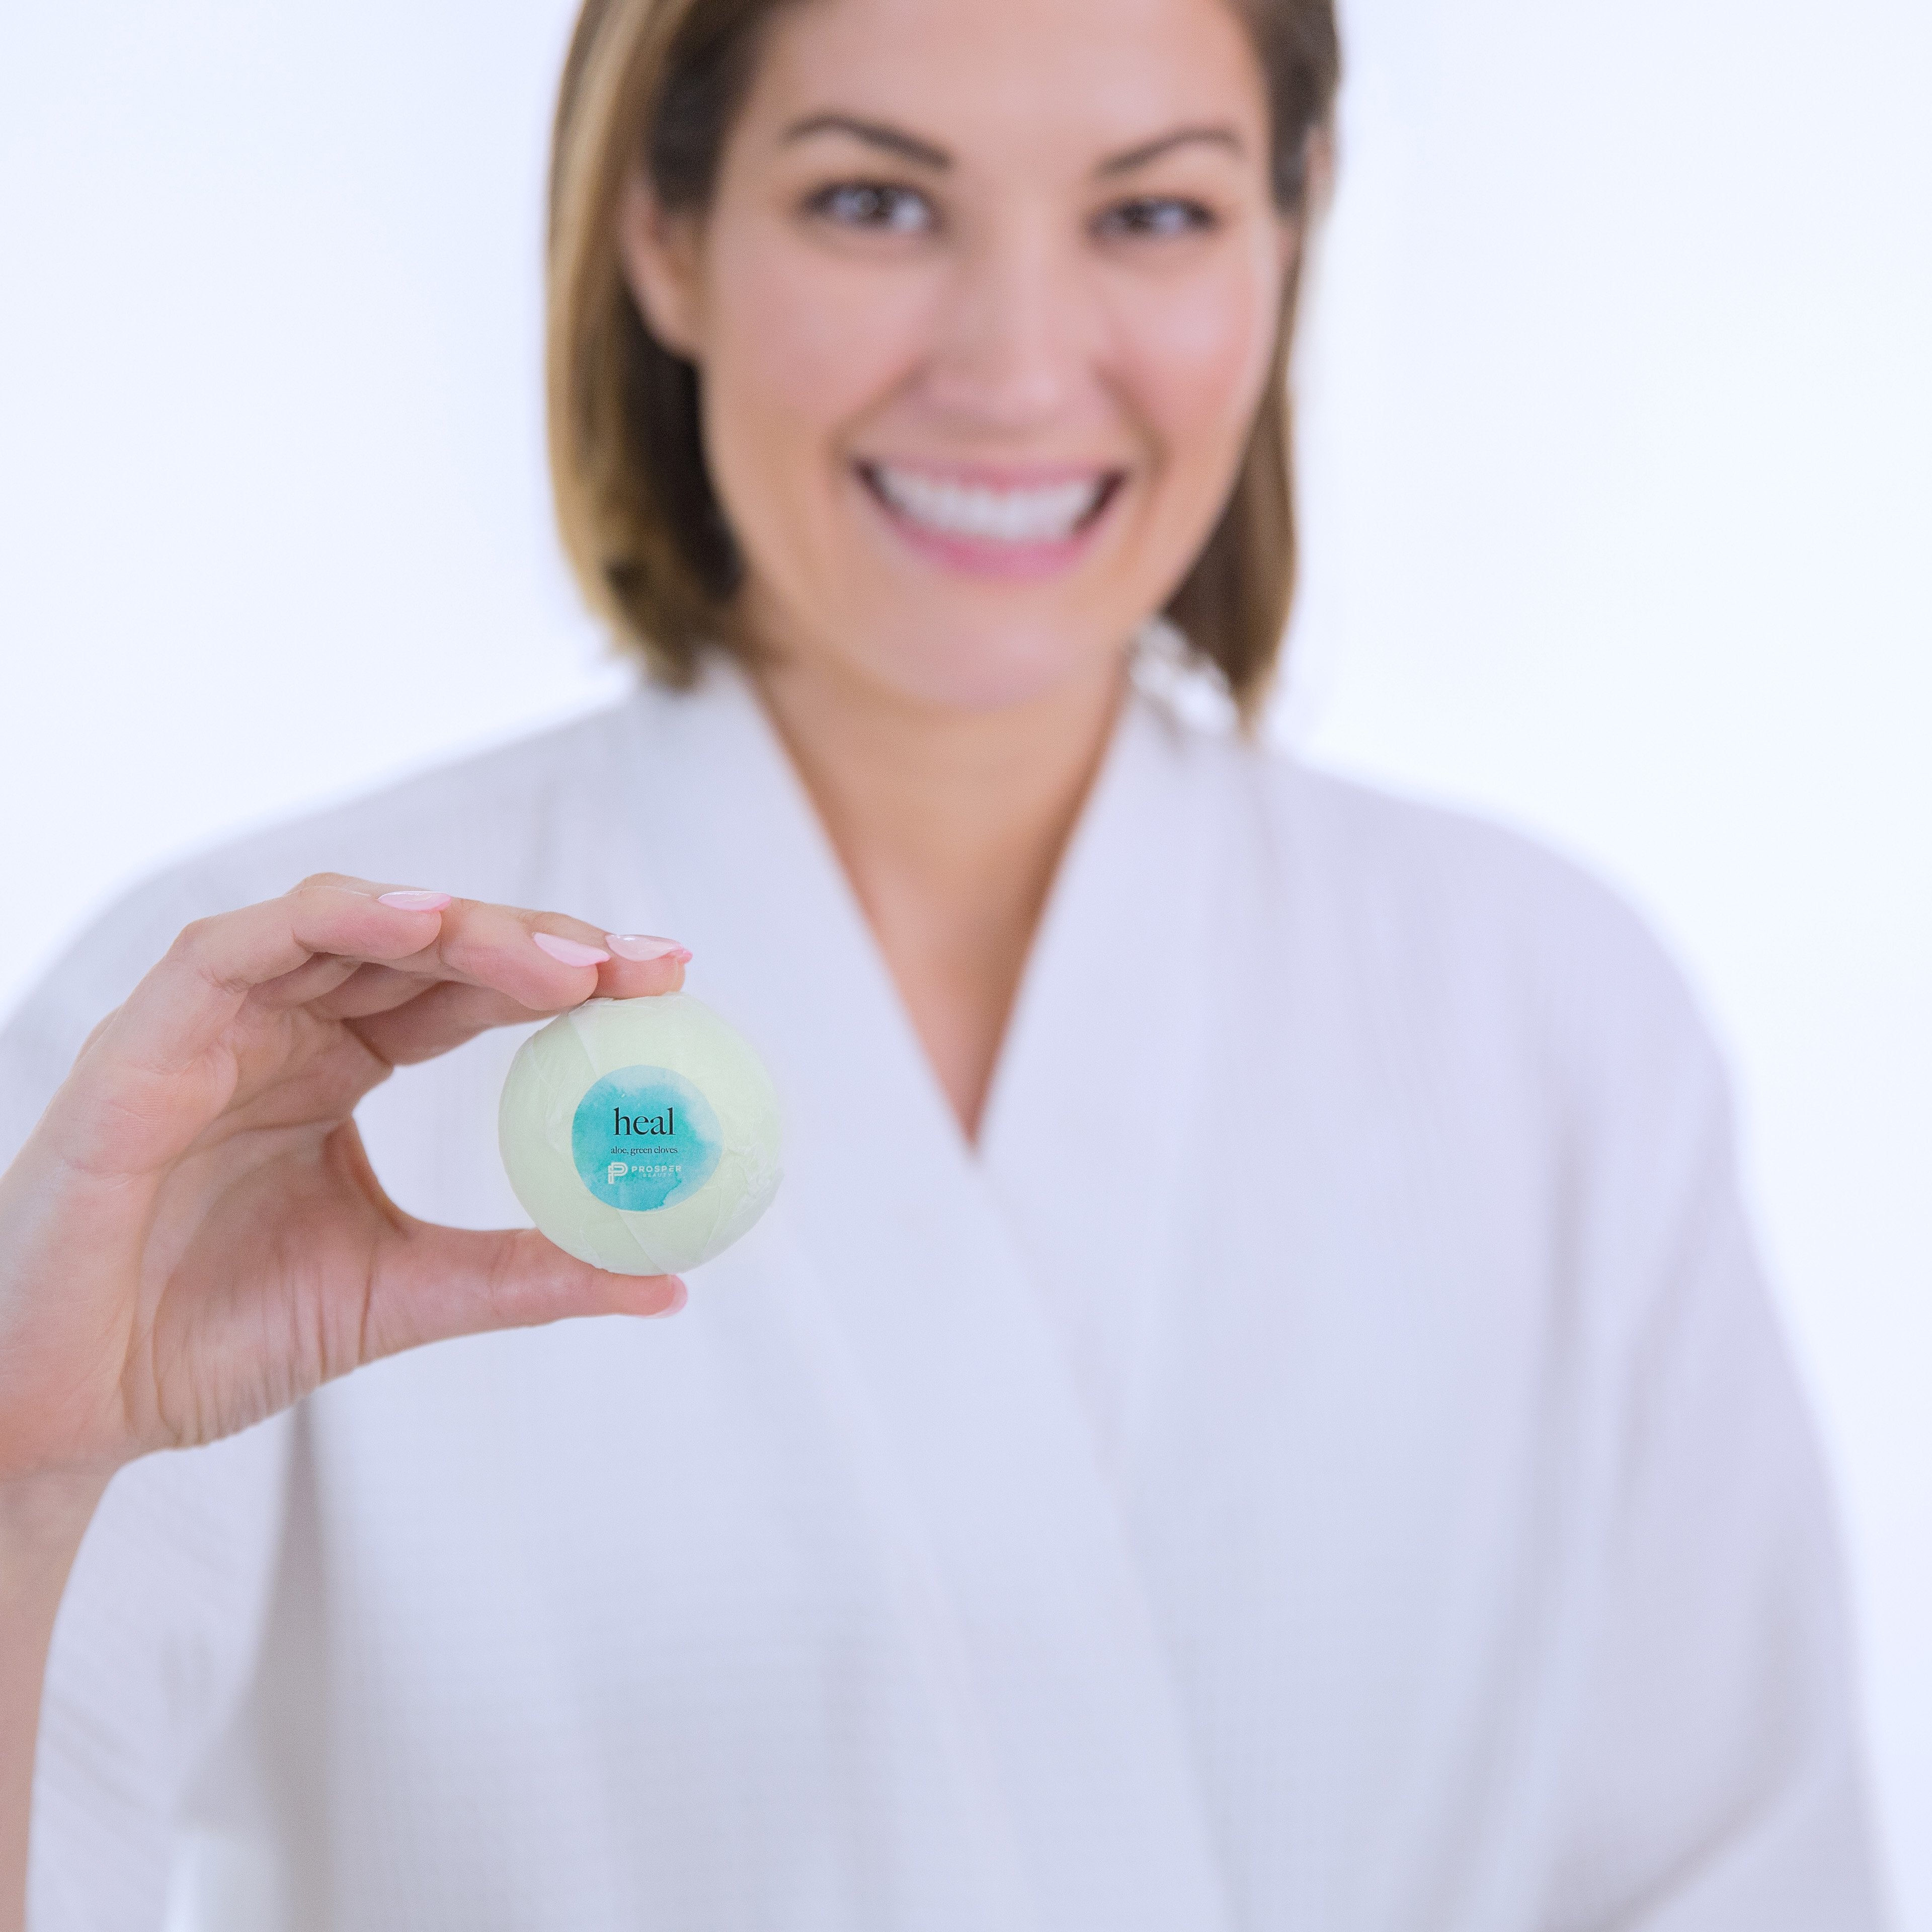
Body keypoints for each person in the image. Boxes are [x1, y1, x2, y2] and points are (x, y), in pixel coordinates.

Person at [0, 0, 1885, 1924]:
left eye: (1152, 213)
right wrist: (22, 1478)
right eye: (875, 202)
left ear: (1292, 227)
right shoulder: (244, 1064)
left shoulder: (1553, 1020)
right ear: (664, 230)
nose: (1014, 368)